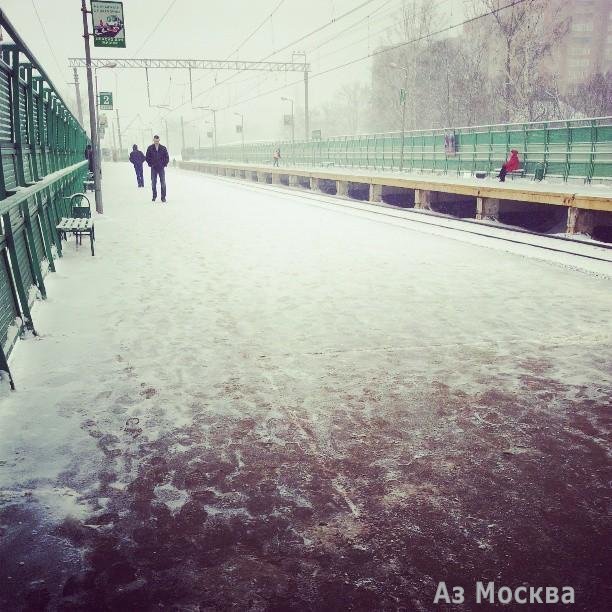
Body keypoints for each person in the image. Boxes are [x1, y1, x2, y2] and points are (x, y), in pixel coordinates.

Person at [145, 135, 169, 202]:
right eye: (155, 141)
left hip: (161, 168)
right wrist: (151, 164)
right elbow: (147, 157)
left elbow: (167, 157)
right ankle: (154, 196)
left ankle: (163, 197)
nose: (156, 142)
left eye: (157, 141)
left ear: (159, 140)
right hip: (154, 168)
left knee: (163, 183)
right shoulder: (150, 148)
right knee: (153, 183)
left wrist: (164, 164)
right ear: (153, 140)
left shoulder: (163, 148)